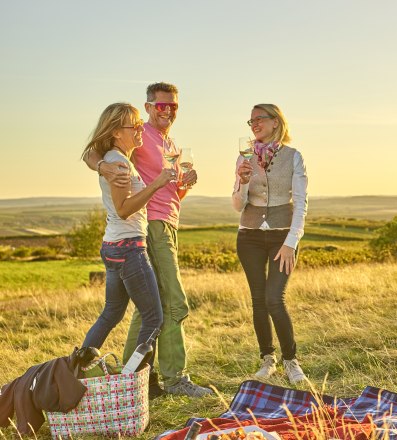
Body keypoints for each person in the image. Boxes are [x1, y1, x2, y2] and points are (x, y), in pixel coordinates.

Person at [83, 83, 212, 397]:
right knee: (174, 304)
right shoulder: (139, 135)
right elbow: (93, 151)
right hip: (148, 227)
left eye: (173, 106)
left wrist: (185, 185)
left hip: (166, 223)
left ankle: (134, 377)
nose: (167, 111)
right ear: (149, 107)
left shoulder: (170, 143)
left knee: (146, 308)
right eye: (160, 106)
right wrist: (103, 167)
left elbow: (171, 190)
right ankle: (175, 378)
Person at [80, 103, 173, 378]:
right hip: (129, 248)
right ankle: (136, 380)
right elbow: (123, 208)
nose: (141, 128)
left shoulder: (113, 158)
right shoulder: (118, 162)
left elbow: (89, 153)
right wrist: (157, 184)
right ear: (118, 132)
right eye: (136, 125)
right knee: (154, 318)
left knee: (111, 314)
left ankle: (76, 370)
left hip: (113, 246)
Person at [233, 104, 309, 384]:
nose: (254, 124)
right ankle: (268, 359)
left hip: (282, 236)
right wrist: (241, 182)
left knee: (274, 299)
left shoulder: (293, 156)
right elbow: (238, 205)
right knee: (257, 300)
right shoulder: (244, 156)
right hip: (249, 236)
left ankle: (291, 360)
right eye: (250, 121)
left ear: (275, 122)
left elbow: (301, 203)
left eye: (259, 119)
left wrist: (291, 242)